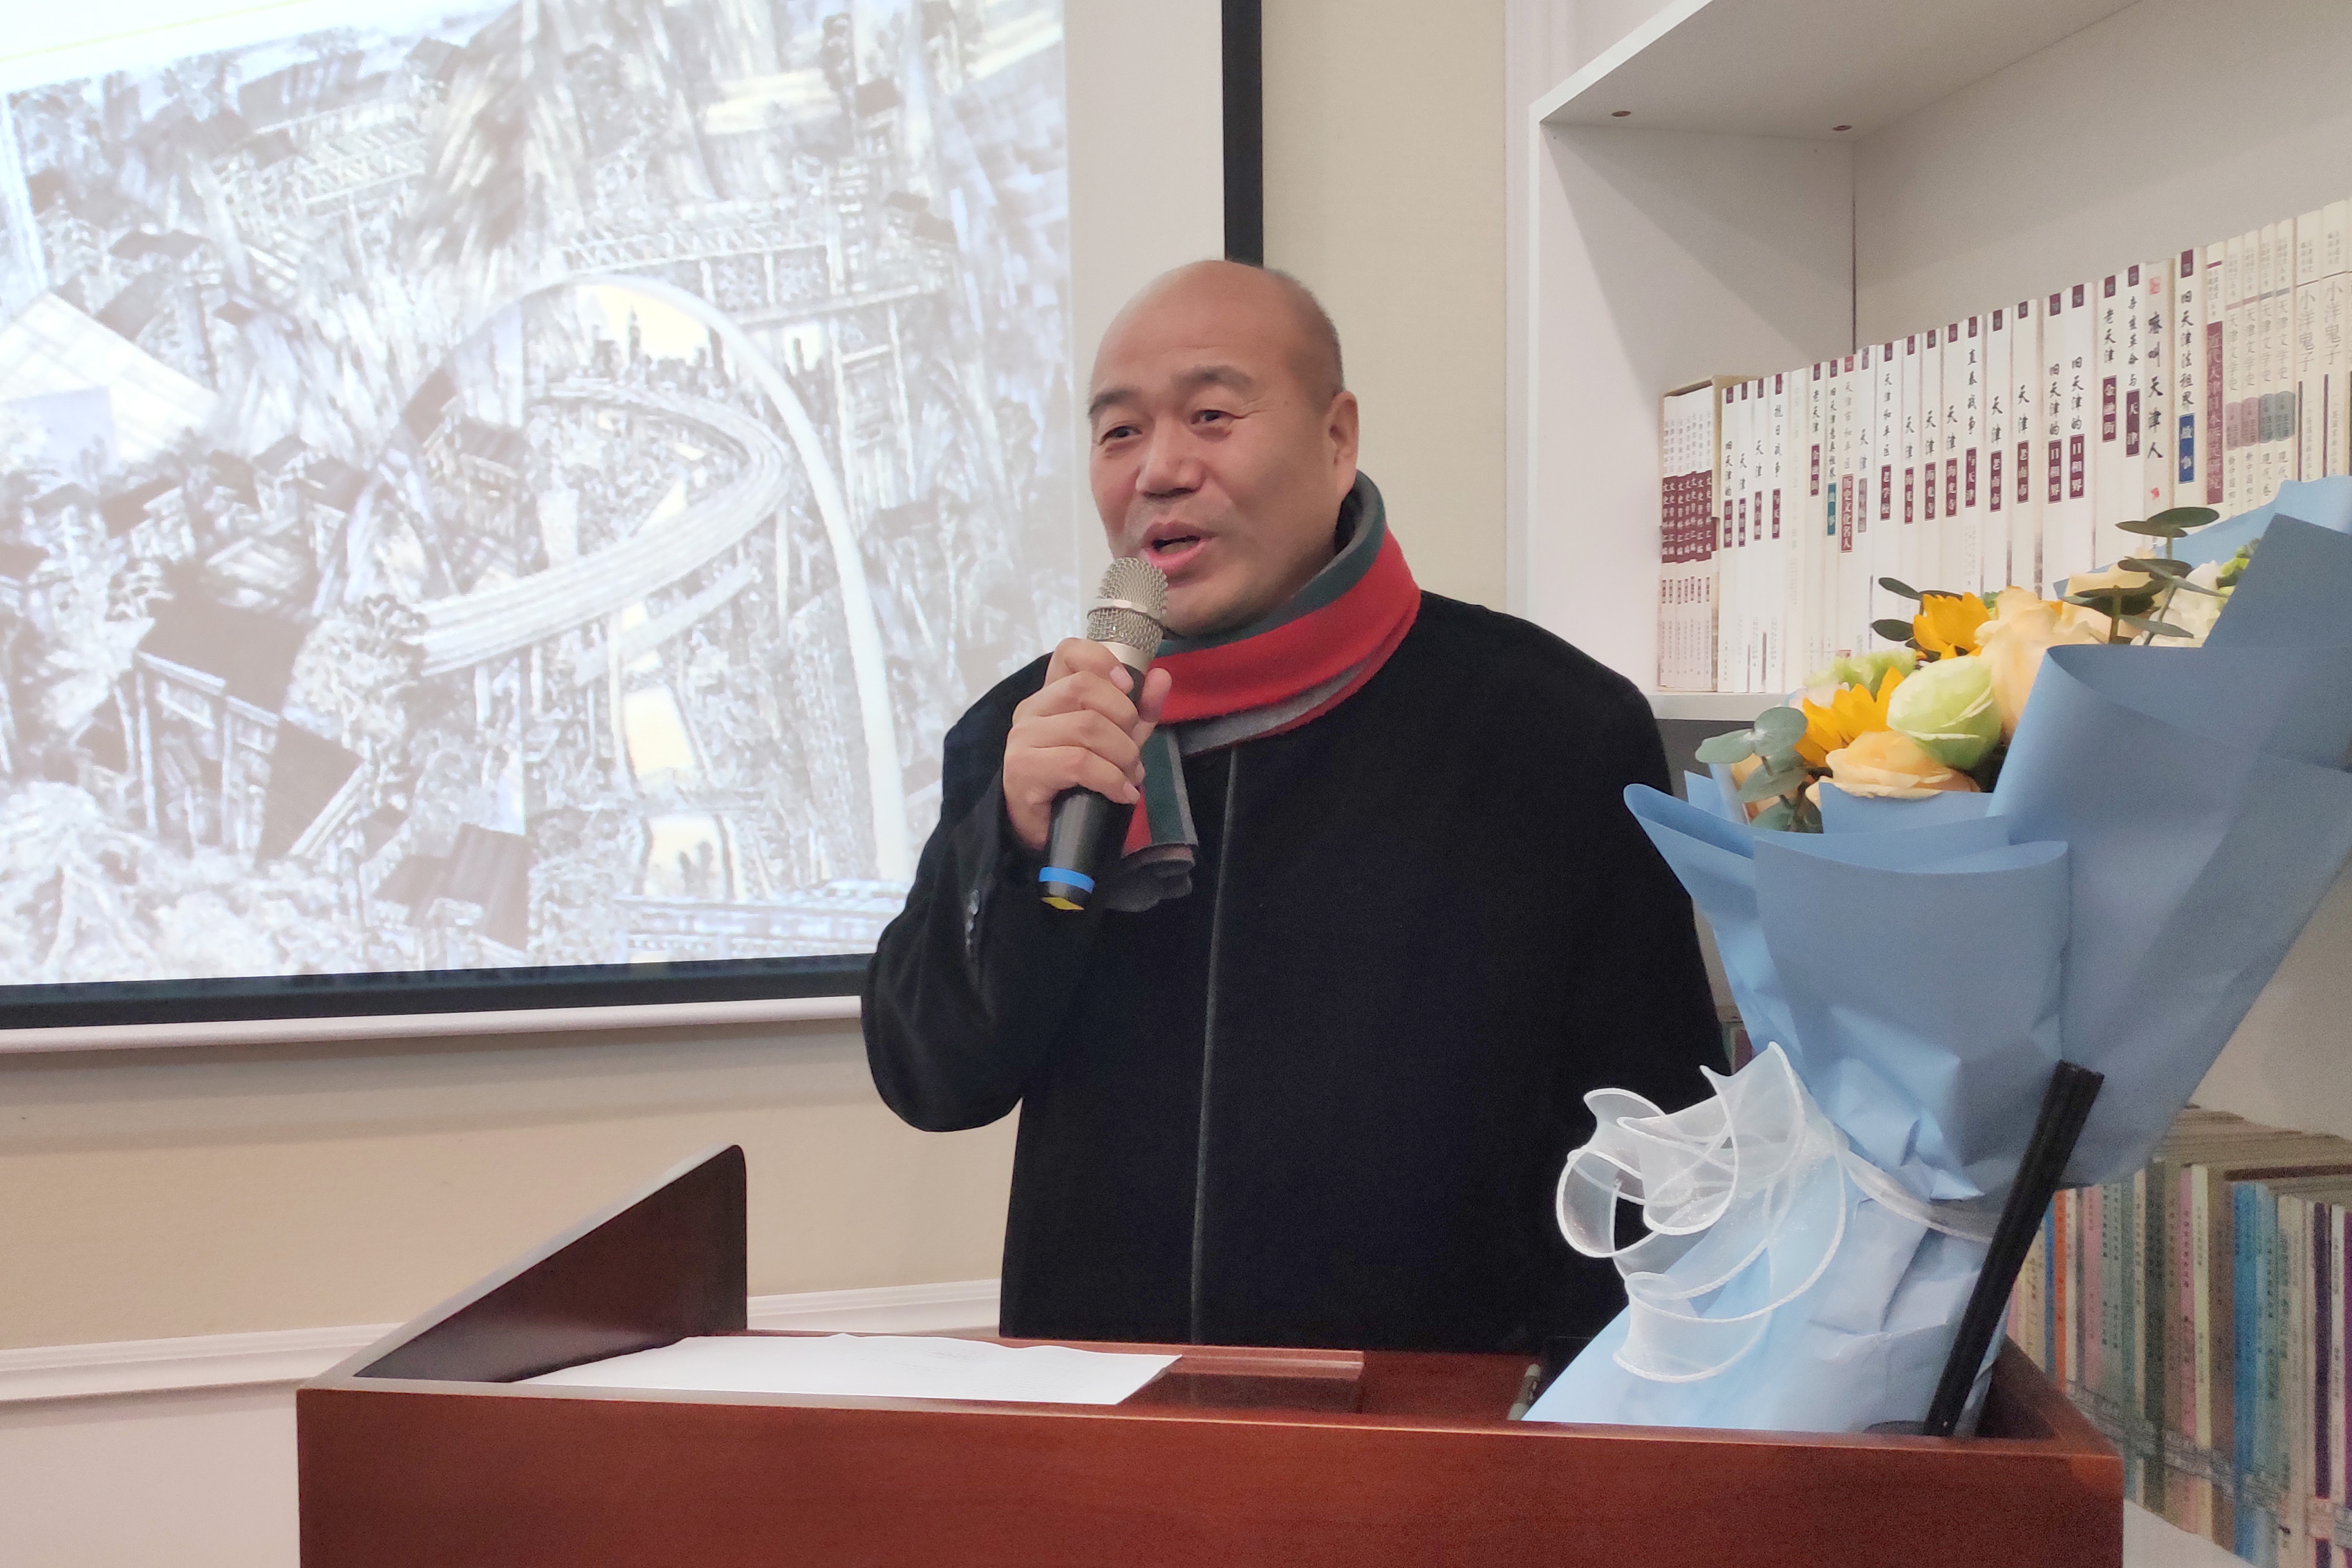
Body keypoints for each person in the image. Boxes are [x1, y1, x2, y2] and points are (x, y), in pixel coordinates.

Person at [863, 261, 1719, 1354]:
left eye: (1211, 416)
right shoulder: (1031, 736)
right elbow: (933, 1080)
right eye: (1119, 433)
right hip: (1111, 1407)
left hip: (1441, 1418)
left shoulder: (1551, 728)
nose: (1159, 470)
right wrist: (1016, 841)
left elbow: (1656, 1144)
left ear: (1337, 437)